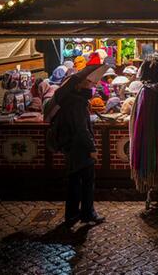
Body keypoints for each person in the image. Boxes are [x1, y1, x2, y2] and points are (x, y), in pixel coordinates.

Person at [53, 68, 104, 227]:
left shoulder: (71, 101)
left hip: (72, 148)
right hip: (80, 149)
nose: (91, 85)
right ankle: (88, 213)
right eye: (87, 82)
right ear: (78, 86)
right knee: (87, 182)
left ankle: (72, 215)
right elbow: (82, 130)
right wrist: (92, 149)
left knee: (74, 181)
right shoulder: (78, 104)